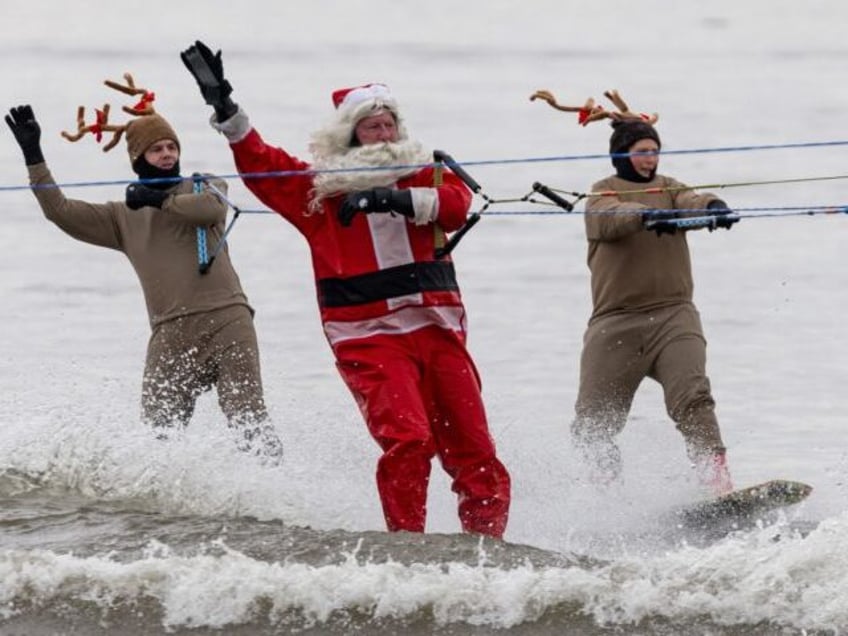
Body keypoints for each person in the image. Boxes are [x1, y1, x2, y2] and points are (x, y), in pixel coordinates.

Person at [181, 40, 511, 537]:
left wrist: (391, 198)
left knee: (476, 450)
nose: (383, 133)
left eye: (388, 124)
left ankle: (489, 553)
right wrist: (226, 109)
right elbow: (264, 165)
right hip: (369, 337)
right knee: (409, 441)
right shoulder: (319, 193)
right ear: (351, 136)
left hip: (439, 333)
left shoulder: (425, 174)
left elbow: (455, 204)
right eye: (371, 126)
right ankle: (406, 551)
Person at [5, 89, 283, 464]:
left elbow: (207, 212)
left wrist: (158, 199)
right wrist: (33, 156)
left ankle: (272, 496)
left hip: (228, 322)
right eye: (157, 149)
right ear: (138, 158)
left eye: (172, 147)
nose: (167, 154)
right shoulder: (122, 216)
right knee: (157, 438)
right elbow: (61, 212)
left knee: (248, 421)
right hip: (170, 333)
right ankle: (162, 517)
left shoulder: (204, 184)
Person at [572, 114, 739, 496]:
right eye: (642, 152)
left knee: (694, 398)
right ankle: (605, 497)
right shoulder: (601, 194)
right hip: (615, 324)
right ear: (621, 155)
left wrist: (714, 207)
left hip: (674, 316)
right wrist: (647, 215)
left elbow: (690, 200)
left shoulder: (670, 188)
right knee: (592, 423)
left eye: (655, 152)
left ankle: (717, 485)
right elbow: (611, 219)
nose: (651, 160)